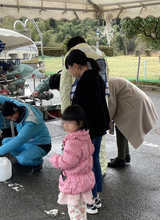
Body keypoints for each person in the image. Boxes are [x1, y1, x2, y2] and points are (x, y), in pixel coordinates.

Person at [65, 49, 110, 214]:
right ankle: (96, 198)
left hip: (88, 131)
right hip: (99, 128)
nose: (71, 73)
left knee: (86, 167)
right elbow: (101, 105)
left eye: (70, 69)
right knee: (94, 163)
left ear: (75, 66)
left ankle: (90, 201)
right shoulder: (96, 77)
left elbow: (82, 111)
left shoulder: (84, 82)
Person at [61, 36, 110, 178]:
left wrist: (68, 119)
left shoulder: (73, 57)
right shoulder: (100, 54)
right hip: (101, 112)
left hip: (85, 121)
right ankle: (102, 169)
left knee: (86, 159)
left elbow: (65, 89)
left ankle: (92, 195)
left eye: (70, 69)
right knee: (97, 153)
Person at [49, 105, 95, 220]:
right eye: (64, 122)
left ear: (80, 123)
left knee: (74, 212)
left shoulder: (72, 141)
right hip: (84, 181)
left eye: (70, 123)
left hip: (74, 183)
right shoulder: (85, 136)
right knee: (82, 209)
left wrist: (55, 159)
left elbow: (68, 162)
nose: (66, 126)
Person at [0, 95, 51, 171]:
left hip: (40, 146)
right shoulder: (20, 107)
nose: (11, 121)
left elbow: (18, 140)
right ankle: (23, 157)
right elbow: (11, 101)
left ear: (15, 113)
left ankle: (37, 162)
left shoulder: (31, 123)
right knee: (5, 141)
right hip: (28, 142)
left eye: (10, 118)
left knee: (22, 159)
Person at [107, 77, 158, 167]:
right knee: (123, 128)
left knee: (121, 128)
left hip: (136, 104)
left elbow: (111, 106)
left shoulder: (109, 84)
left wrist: (106, 121)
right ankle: (125, 155)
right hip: (139, 101)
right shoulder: (111, 80)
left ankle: (121, 159)